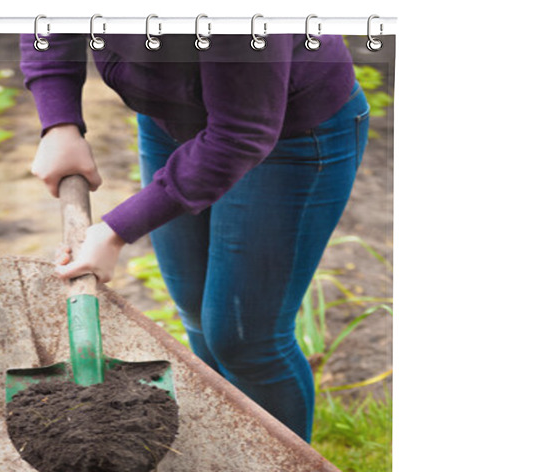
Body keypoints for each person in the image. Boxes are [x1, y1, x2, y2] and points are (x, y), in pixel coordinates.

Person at [19, 33, 369, 442]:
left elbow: (241, 133)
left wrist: (116, 231)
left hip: (288, 134)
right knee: (198, 311)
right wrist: (58, 123)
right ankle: (234, 458)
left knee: (246, 339)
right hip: (173, 120)